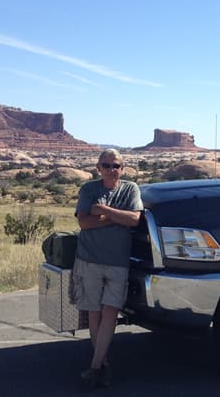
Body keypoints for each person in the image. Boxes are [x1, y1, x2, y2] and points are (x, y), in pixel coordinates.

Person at [72, 149, 143, 390]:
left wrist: (103, 211)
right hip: (89, 259)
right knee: (94, 314)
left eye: (116, 165)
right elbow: (84, 222)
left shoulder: (131, 189)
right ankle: (102, 365)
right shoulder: (89, 189)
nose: (111, 170)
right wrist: (118, 217)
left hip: (118, 262)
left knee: (110, 314)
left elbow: (134, 219)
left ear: (123, 168)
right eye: (107, 165)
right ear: (98, 167)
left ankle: (95, 367)